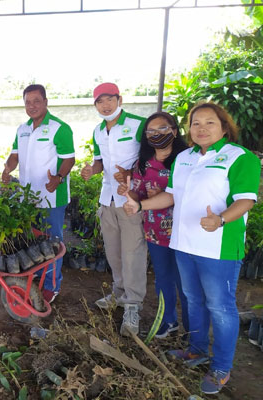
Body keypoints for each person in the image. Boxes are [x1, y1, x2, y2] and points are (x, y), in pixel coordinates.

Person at [122, 102, 261, 394]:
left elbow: (246, 200)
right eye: (196, 123)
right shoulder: (184, 158)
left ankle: (221, 366)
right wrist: (140, 205)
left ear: (224, 126)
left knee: (220, 307)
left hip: (218, 247)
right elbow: (170, 196)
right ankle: (196, 349)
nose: (202, 129)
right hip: (183, 243)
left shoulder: (239, 157)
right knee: (193, 300)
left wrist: (220, 220)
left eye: (210, 123)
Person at [80, 82, 147, 336]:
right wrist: (91, 170)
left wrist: (131, 174)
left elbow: (151, 160)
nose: (105, 105)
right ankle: (119, 293)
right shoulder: (98, 130)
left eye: (109, 99)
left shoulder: (138, 124)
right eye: (99, 101)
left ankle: (133, 305)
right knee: (114, 251)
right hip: (107, 198)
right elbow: (99, 163)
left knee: (133, 253)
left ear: (119, 99)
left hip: (130, 199)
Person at [116, 111, 189, 338]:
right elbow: (138, 194)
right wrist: (128, 194)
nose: (157, 134)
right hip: (156, 231)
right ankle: (168, 322)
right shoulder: (144, 164)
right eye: (151, 131)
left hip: (183, 232)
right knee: (163, 278)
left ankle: (192, 329)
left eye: (163, 129)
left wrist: (160, 197)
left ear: (174, 131)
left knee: (186, 283)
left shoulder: (187, 160)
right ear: (146, 136)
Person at [1, 84, 75, 303]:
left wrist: (59, 178)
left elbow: (69, 159)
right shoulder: (22, 129)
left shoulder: (59, 128)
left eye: (36, 101)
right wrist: (7, 168)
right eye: (27, 102)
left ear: (45, 102)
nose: (31, 106)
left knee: (52, 243)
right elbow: (15, 155)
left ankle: (52, 285)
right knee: (33, 241)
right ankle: (36, 277)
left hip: (52, 197)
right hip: (27, 199)